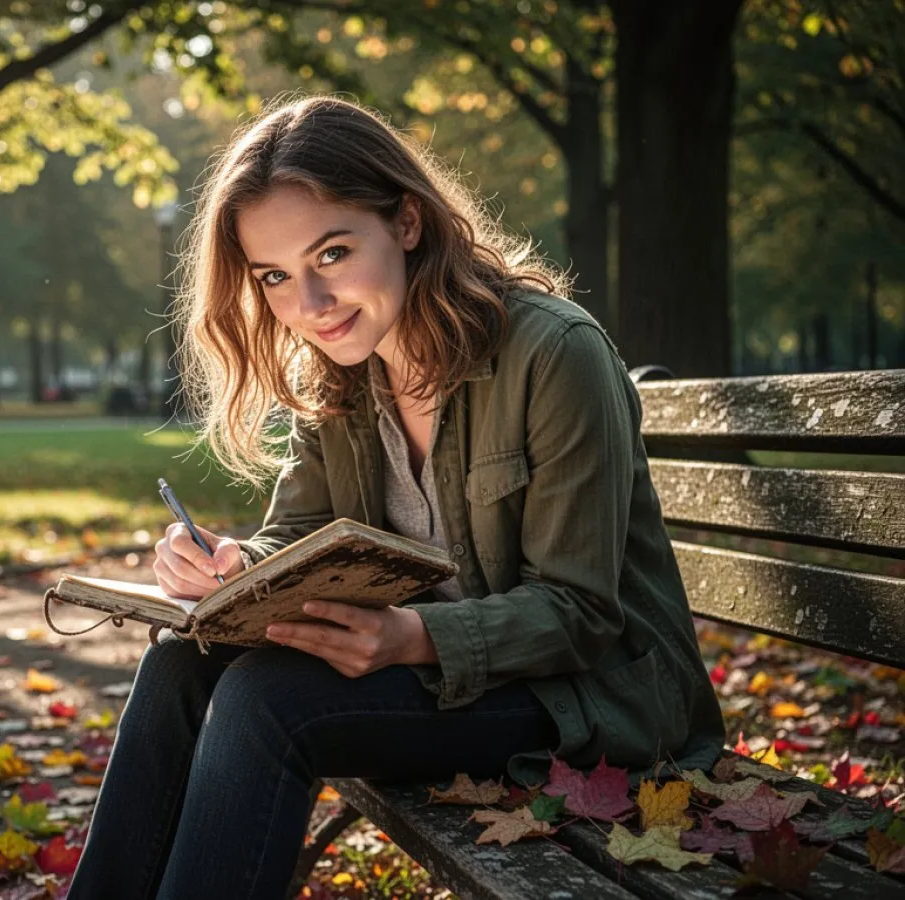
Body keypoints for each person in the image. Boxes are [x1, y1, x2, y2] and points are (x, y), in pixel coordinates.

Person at [64, 94, 725, 900]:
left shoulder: (554, 354)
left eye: (332, 255)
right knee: (179, 663)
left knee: (270, 701)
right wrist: (236, 566)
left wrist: (412, 637)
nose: (308, 306)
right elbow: (299, 531)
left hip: (585, 701)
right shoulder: (337, 372)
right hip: (435, 677)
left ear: (408, 222)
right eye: (275, 277)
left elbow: (581, 614)